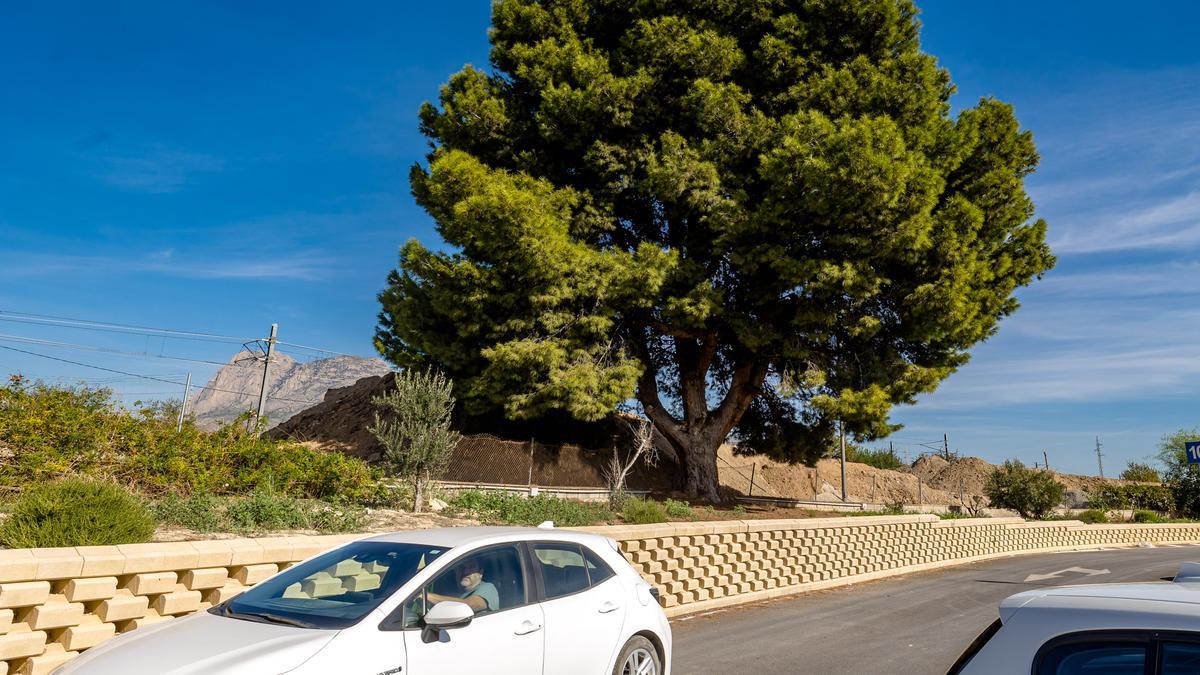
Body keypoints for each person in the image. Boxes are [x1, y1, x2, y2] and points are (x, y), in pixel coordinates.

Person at [427, 559, 499, 614]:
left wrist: (426, 596)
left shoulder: (488, 588)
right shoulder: (452, 593)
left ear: (480, 573)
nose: (465, 572)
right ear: (455, 571)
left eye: (471, 567)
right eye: (461, 567)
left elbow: (468, 605)